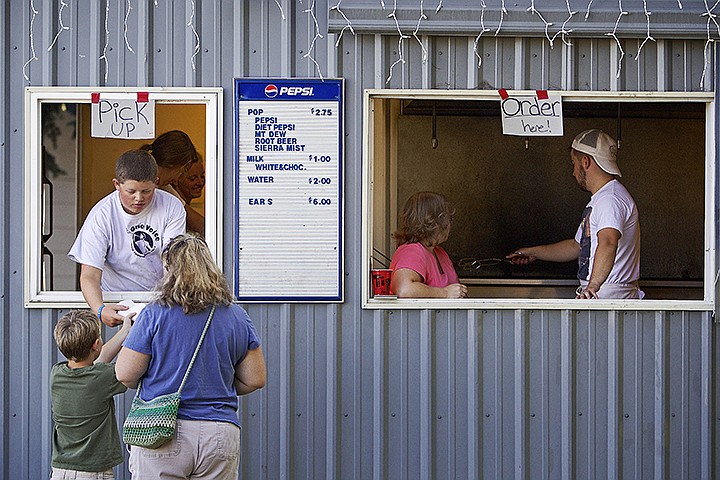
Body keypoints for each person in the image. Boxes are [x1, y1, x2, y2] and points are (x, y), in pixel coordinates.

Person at [116, 233, 266, 479]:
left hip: (163, 430)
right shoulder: (237, 316)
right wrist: (214, 385)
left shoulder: (154, 314)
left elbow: (124, 374)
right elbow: (255, 379)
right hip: (219, 433)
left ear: (169, 269)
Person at [507, 129, 642, 299]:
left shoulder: (610, 199)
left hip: (611, 299)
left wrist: (593, 285)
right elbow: (575, 246)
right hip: (601, 296)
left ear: (585, 162)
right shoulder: (601, 199)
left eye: (573, 163)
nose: (573, 172)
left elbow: (608, 242)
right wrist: (532, 252)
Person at [68, 150, 186, 327]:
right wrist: (100, 309)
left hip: (160, 301)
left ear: (156, 183)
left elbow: (173, 264)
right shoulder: (101, 215)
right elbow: (89, 275)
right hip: (118, 302)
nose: (139, 198)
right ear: (117, 184)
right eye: (131, 191)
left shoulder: (172, 206)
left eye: (147, 191)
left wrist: (168, 302)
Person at [50, 310, 133, 480]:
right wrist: (134, 334)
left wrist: (124, 332)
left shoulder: (57, 374)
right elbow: (126, 368)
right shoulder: (102, 377)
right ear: (96, 344)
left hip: (60, 470)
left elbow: (94, 365)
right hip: (93, 473)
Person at [389, 191, 468, 298]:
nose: (449, 224)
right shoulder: (411, 251)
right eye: (448, 219)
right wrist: (444, 293)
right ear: (434, 222)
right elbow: (404, 289)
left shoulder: (440, 252)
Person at [142, 130, 205, 235]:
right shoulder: (141, 185)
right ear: (172, 165)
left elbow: (197, 222)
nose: (178, 179)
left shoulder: (165, 188)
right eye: (183, 170)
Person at [172, 153, 206, 235]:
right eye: (192, 178)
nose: (200, 182)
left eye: (202, 176)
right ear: (176, 179)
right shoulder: (173, 211)